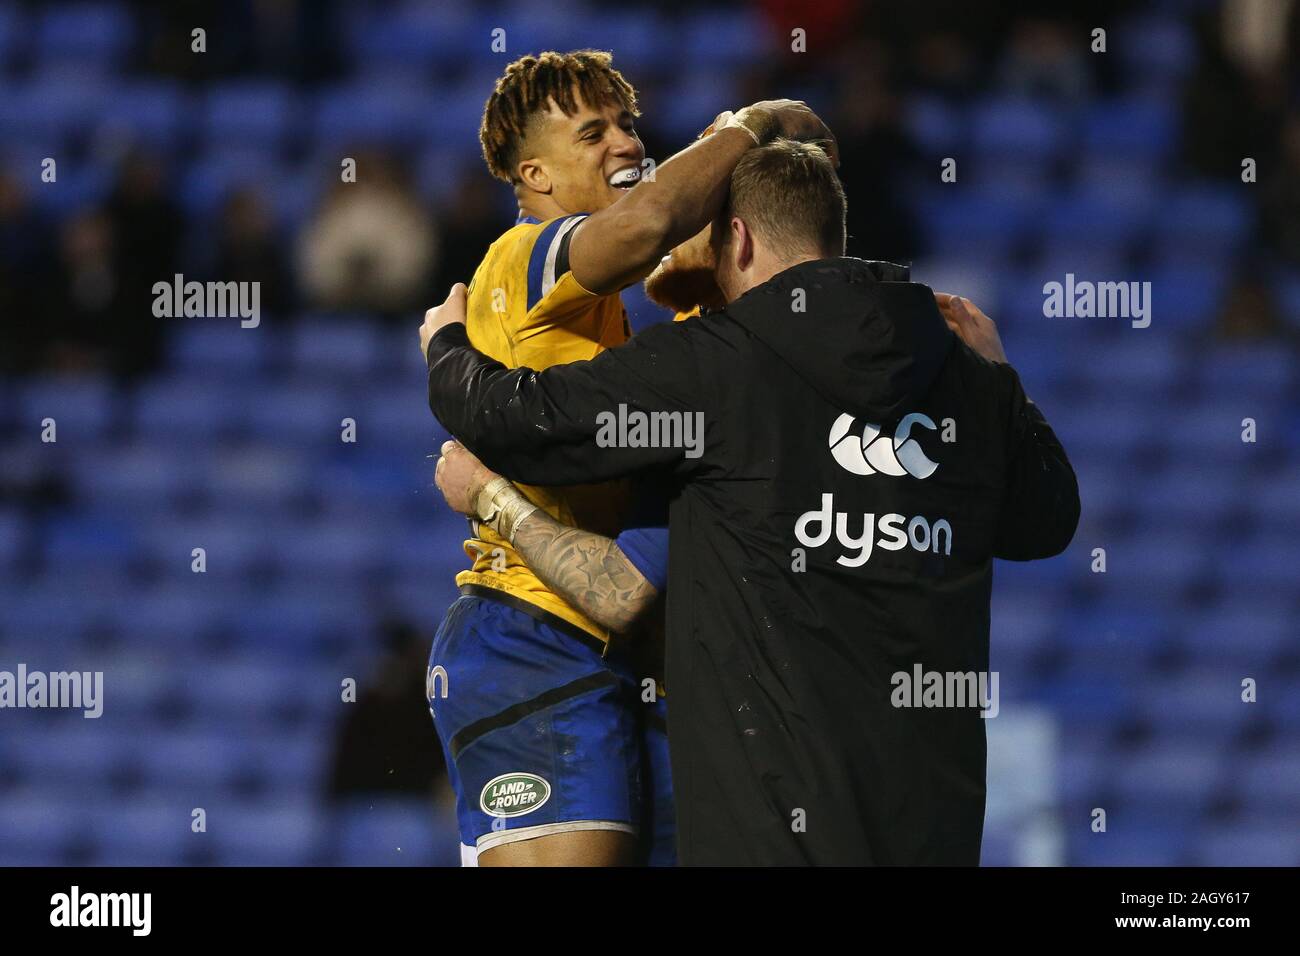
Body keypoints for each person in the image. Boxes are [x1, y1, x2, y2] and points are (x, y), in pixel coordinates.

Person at [421, 137, 1081, 865]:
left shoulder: (719, 366)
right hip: (931, 831)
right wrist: (1001, 380)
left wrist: (447, 343)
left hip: (767, 833)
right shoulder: (959, 369)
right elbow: (1048, 521)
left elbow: (516, 420)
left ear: (736, 236)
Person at [425, 48, 834, 867]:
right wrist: (749, 123)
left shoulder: (652, 336)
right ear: (533, 175)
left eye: (627, 125)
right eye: (592, 132)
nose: (625, 144)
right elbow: (649, 221)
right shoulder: (528, 256)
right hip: (533, 634)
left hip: (630, 651)